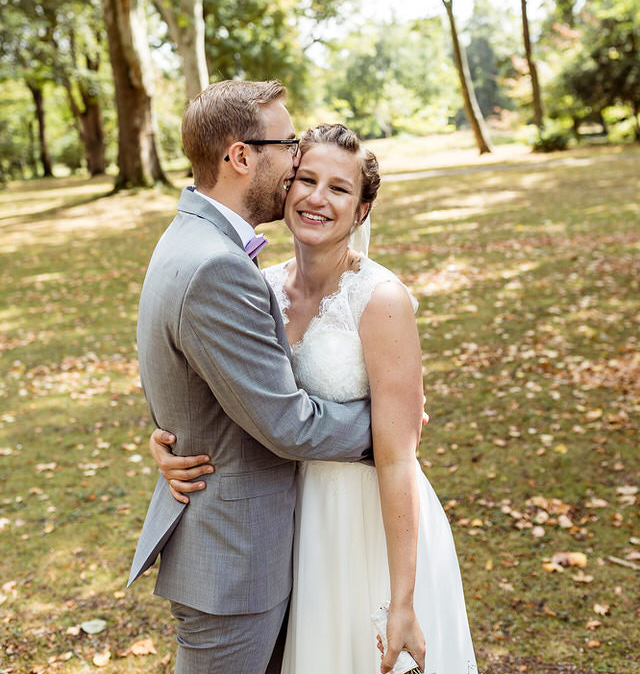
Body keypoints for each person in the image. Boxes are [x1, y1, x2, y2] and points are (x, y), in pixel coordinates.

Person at [151, 123, 478, 674]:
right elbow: (237, 392)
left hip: (364, 524)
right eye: (306, 179)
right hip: (288, 525)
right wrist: (167, 442)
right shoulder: (260, 287)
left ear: (362, 210)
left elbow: (397, 457)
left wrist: (402, 599)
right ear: (286, 187)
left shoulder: (382, 300)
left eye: (339, 188)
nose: (316, 199)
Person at [128, 82, 381, 674]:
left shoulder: (192, 239)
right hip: (233, 560)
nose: (297, 159)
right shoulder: (216, 265)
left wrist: (178, 434)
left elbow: (190, 372)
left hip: (254, 541)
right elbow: (286, 424)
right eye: (288, 143)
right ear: (241, 157)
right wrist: (385, 426)